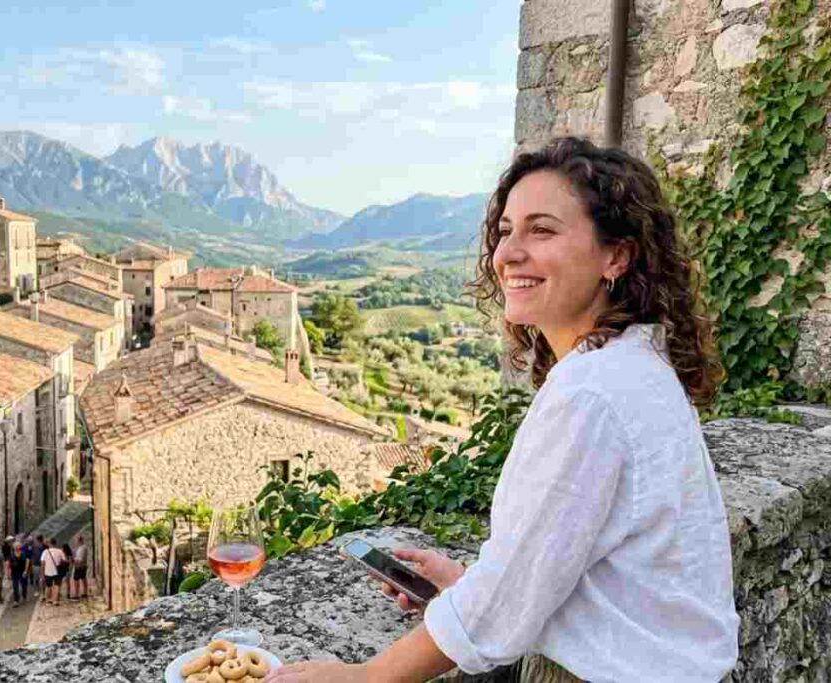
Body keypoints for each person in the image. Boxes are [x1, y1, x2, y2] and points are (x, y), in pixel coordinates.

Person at [266, 137, 740, 682]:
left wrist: (365, 677)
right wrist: (466, 582)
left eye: (542, 230)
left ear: (616, 255)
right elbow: (566, 561)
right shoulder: (632, 365)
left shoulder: (593, 392)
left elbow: (500, 607)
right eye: (506, 230)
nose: (507, 253)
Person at [40, 537, 67, 606]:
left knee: (48, 586)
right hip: (57, 571)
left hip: (47, 571)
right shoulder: (59, 551)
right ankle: (55, 600)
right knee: (57, 585)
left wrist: (42, 574)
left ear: (49, 543)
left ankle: (48, 601)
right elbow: (65, 560)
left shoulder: (45, 552)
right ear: (55, 543)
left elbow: (42, 563)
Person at [8, 541, 30, 607]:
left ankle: (24, 596)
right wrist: (9, 573)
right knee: (15, 586)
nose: (17, 547)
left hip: (22, 572)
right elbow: (9, 564)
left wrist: (25, 571)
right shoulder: (11, 555)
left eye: (18, 546)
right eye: (15, 546)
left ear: (20, 547)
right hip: (14, 573)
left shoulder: (23, 553)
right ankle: (16, 601)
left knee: (24, 585)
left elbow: (27, 561)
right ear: (13, 547)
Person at [72, 535, 89, 600]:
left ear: (79, 540)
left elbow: (80, 559)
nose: (75, 542)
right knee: (83, 578)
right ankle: (85, 593)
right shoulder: (81, 547)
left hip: (80, 566)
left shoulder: (82, 548)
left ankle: (77, 594)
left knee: (76, 579)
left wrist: (73, 561)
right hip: (81, 566)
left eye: (75, 540)